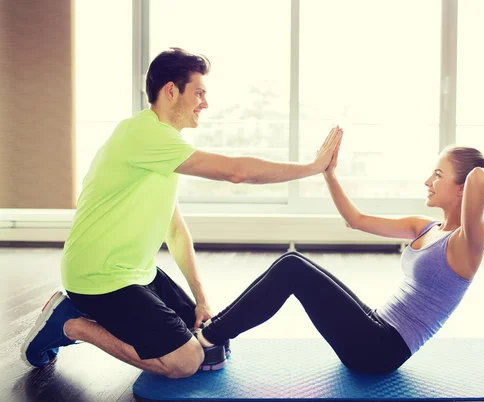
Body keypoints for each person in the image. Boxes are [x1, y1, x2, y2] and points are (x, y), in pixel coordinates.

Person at [20, 47, 343, 379]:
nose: (205, 103)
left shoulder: (164, 147)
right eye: (199, 93)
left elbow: (174, 231)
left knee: (211, 344)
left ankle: (88, 314)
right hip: (99, 278)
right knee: (186, 361)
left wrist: (201, 299)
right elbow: (237, 172)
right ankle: (72, 324)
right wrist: (312, 167)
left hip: (137, 274)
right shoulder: (143, 135)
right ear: (171, 91)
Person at [194, 140, 484, 373]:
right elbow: (356, 220)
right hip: (377, 326)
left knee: (292, 268)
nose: (427, 181)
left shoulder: (468, 243)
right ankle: (216, 334)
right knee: (294, 263)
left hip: (381, 350)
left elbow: (478, 179)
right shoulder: (425, 227)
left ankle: (209, 337)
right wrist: (329, 174)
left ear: (462, 188)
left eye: (437, 174)